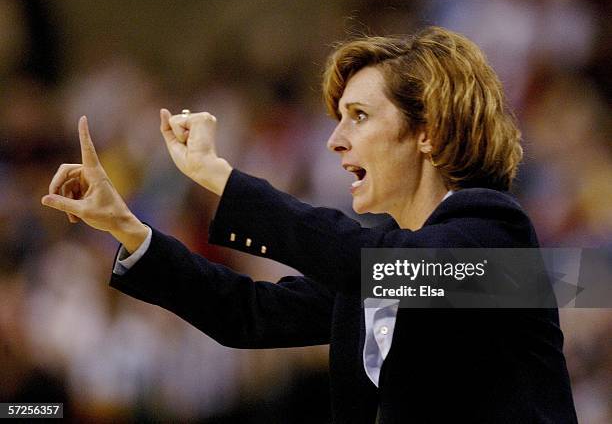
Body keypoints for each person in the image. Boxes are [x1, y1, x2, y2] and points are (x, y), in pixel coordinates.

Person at [42, 26, 577, 423]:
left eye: (360, 116)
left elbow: (380, 267)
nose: (335, 139)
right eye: (338, 117)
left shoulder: (496, 237)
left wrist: (220, 178)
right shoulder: (381, 267)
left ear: (428, 133)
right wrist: (127, 227)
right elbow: (247, 313)